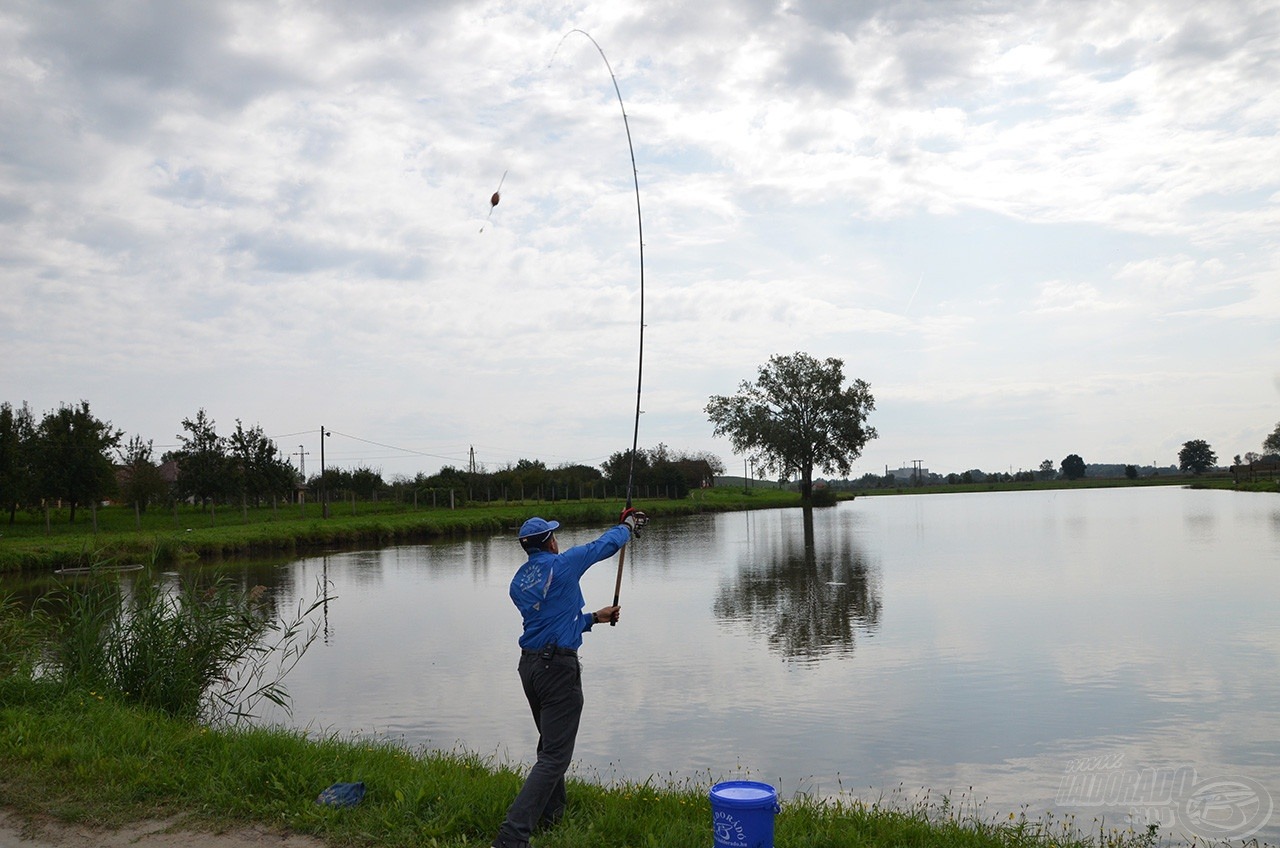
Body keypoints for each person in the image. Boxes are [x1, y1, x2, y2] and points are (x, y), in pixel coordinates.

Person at [491, 507, 647, 848]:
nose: (558, 540)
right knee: (555, 756)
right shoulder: (562, 564)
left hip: (530, 667)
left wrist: (593, 618)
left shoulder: (518, 582)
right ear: (549, 543)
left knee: (550, 745)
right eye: (554, 535)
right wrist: (627, 526)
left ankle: (552, 816)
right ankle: (512, 836)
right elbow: (602, 546)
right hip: (557, 669)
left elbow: (551, 623)